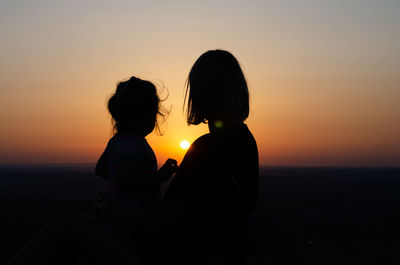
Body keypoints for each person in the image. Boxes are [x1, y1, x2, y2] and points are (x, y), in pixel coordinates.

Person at [8, 49, 259, 265]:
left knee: (63, 224)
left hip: (163, 255)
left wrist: (108, 211)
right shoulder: (246, 143)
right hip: (207, 253)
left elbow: (161, 223)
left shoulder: (209, 149)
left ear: (205, 93)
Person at [94, 76, 177, 231]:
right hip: (131, 224)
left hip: (117, 219)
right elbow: (126, 179)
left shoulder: (116, 141)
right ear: (143, 116)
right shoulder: (132, 144)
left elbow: (101, 169)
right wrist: (159, 177)